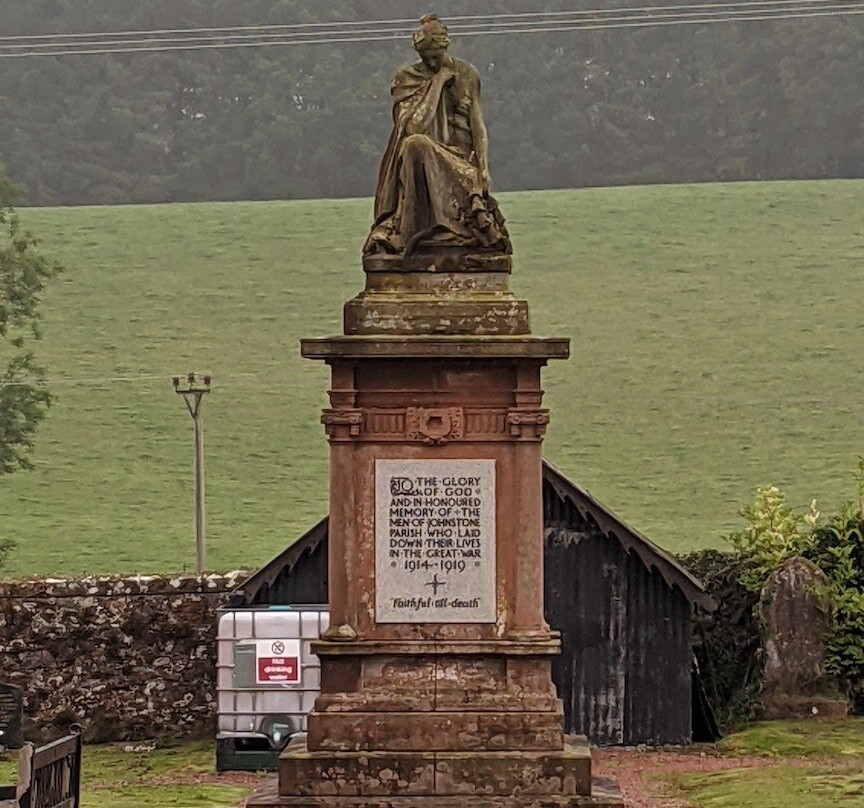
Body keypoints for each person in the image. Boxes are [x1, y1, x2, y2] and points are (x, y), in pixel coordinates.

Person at [363, 14, 510, 257]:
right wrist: (438, 82)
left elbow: (477, 124)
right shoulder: (407, 77)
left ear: (445, 47)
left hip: (460, 160)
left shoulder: (467, 74)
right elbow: (413, 127)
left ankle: (445, 227)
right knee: (415, 145)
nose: (432, 63)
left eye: (436, 57)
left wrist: (483, 168)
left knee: (418, 146)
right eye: (426, 58)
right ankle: (412, 229)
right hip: (424, 155)